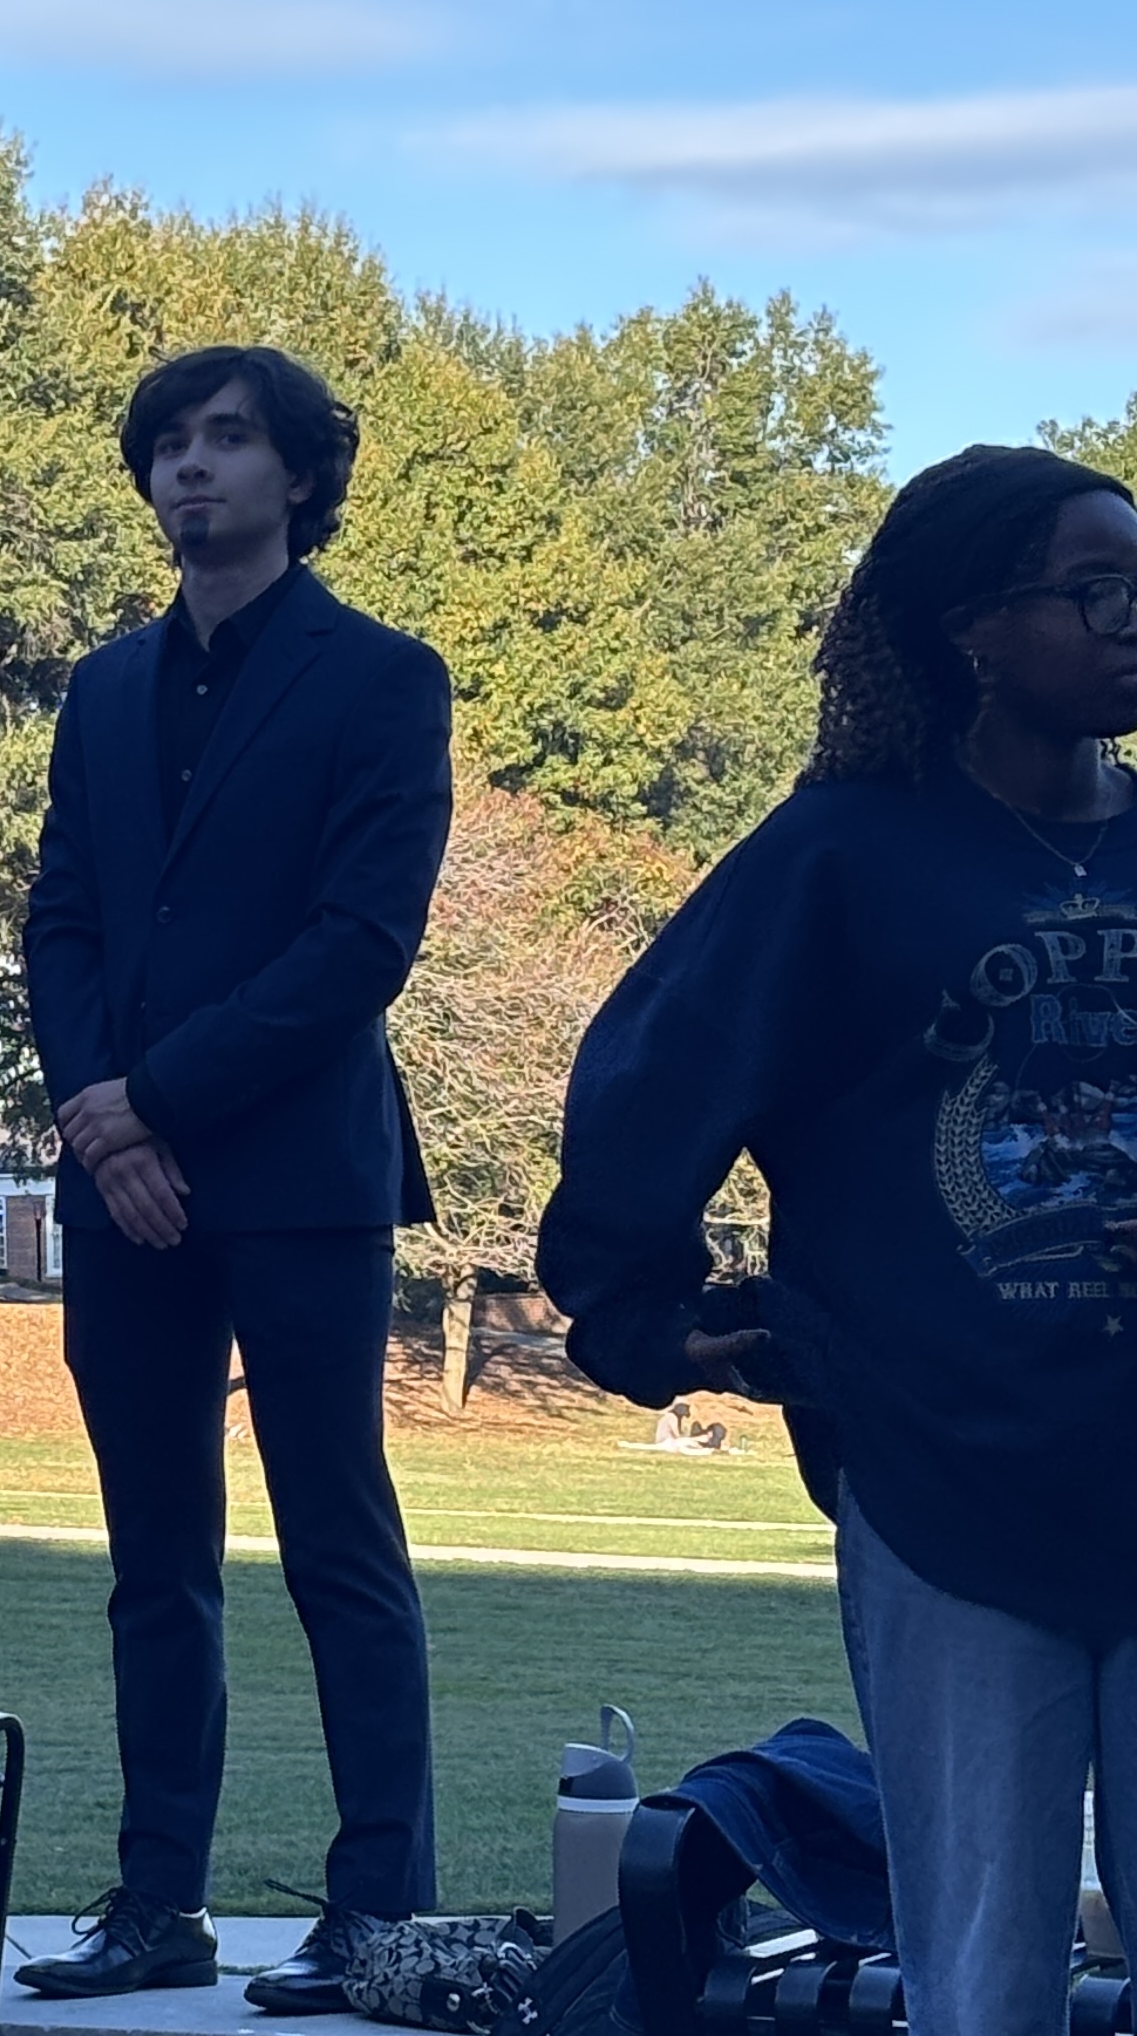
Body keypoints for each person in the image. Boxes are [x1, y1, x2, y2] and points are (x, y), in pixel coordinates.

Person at [538, 444, 1137, 2036]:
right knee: (984, 1977)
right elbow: (649, 1081)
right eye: (1098, 588)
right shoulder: (838, 857)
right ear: (973, 629)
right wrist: (641, 1315)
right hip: (951, 1480)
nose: (1135, 618)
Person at [16, 345, 452, 2008]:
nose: (188, 467)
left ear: (295, 477)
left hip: (294, 1170)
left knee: (335, 1536)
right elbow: (57, 918)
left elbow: (360, 941)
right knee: (152, 1553)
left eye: (225, 440)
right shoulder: (101, 689)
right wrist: (91, 1113)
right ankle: (151, 1904)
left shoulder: (378, 679)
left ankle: (377, 1910)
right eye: (167, 444)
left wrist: (149, 1102)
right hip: (119, 1179)